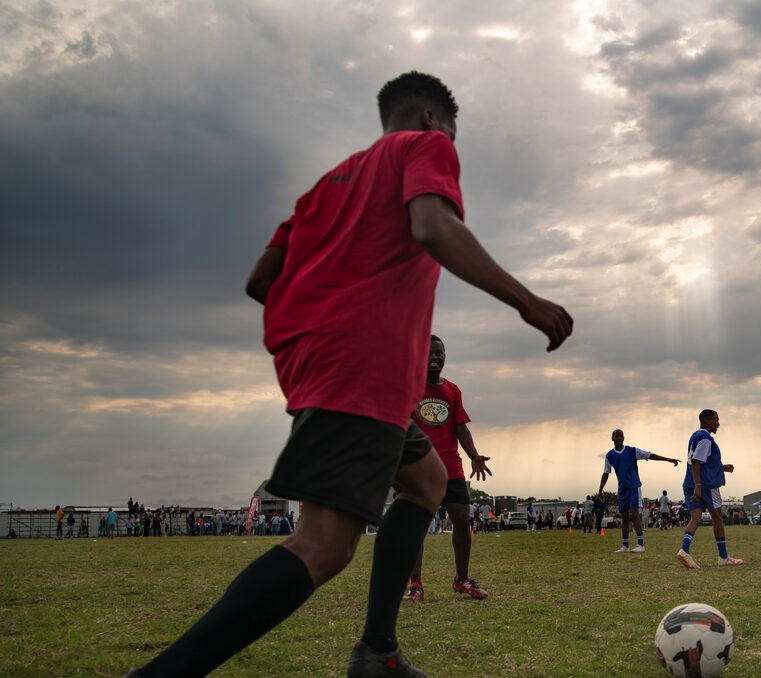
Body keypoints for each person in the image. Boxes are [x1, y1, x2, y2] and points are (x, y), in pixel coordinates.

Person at [127, 71, 572, 678]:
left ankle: (378, 652)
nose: (452, 146)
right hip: (364, 367)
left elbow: (262, 280)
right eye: (453, 134)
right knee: (324, 544)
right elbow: (433, 226)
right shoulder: (426, 147)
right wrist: (527, 301)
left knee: (427, 483)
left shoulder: (323, 190)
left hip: (329, 367)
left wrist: (325, 316)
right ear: (431, 120)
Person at [401, 335, 493, 603]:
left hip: (451, 465)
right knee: (416, 526)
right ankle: (416, 585)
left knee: (462, 521)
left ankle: (462, 579)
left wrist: (474, 456)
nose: (434, 356)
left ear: (445, 356)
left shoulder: (452, 390)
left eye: (439, 352)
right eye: (429, 352)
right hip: (420, 466)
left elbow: (460, 426)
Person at [676, 409, 742, 568]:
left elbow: (702, 461)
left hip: (689, 482)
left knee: (695, 519)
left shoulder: (695, 435)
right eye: (716, 420)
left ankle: (684, 550)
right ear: (705, 420)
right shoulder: (706, 438)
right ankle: (723, 557)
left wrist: (721, 467)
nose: (718, 423)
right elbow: (697, 461)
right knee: (718, 518)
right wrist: (699, 486)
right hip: (706, 485)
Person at [597, 429, 680, 553]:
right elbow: (605, 473)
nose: (619, 438)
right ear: (612, 438)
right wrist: (600, 490)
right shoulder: (609, 456)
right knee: (624, 517)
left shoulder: (632, 451)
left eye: (621, 436)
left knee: (634, 515)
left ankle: (641, 544)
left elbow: (650, 455)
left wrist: (668, 459)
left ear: (624, 438)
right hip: (622, 489)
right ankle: (625, 545)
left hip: (634, 487)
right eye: (617, 436)